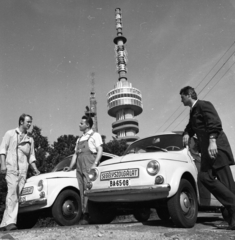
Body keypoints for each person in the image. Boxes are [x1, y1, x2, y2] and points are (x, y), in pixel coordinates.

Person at [180, 86, 235, 230]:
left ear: (188, 95)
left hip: (216, 148)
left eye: (182, 97)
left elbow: (215, 123)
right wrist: (186, 133)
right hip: (208, 153)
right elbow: (190, 127)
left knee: (226, 184)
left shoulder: (203, 105)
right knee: (205, 177)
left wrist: (212, 141)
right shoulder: (193, 112)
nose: (181, 100)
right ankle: (232, 213)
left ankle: (232, 218)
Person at [0, 114, 40, 231]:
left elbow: (31, 157)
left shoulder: (30, 139)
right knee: (12, 194)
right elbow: (2, 149)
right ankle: (11, 222)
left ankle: (3, 224)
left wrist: (35, 169)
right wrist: (2, 164)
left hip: (23, 171)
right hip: (11, 169)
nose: (30, 124)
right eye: (28, 122)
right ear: (21, 122)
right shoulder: (10, 134)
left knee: (15, 196)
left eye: (31, 122)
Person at [64, 115, 103, 225]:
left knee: (89, 189)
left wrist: (95, 164)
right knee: (82, 190)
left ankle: (89, 214)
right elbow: (75, 154)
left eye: (81, 123)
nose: (79, 125)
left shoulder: (95, 135)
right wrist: (71, 166)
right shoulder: (79, 139)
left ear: (87, 125)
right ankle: (84, 213)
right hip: (80, 166)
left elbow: (100, 150)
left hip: (89, 164)